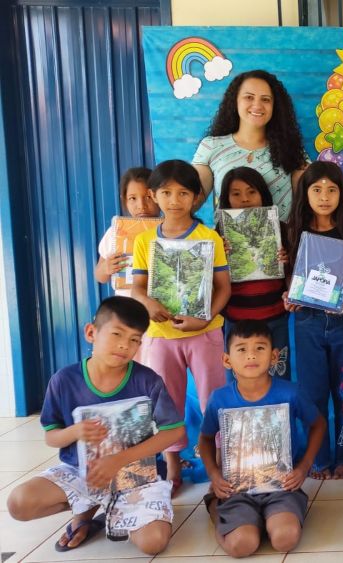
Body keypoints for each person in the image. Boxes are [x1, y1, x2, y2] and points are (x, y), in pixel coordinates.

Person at [6, 296, 184, 554]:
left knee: (153, 542)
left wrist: (119, 460)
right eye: (116, 334)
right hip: (83, 473)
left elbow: (174, 430)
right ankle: (86, 509)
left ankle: (114, 511)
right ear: (91, 333)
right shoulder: (64, 380)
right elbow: (51, 436)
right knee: (19, 503)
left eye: (134, 339)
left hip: (136, 478)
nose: (124, 345)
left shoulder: (147, 380)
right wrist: (74, 432)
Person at [131, 160, 232, 495]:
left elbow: (223, 289)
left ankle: (220, 465)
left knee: (213, 400)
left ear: (196, 197)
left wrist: (205, 318)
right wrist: (148, 303)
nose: (174, 200)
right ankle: (173, 467)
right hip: (160, 336)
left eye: (183, 193)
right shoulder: (145, 241)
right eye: (166, 192)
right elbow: (137, 288)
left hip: (204, 334)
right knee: (167, 403)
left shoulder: (209, 238)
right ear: (153, 195)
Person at [199, 320, 326, 557]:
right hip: (236, 489)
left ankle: (264, 519)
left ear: (274, 356)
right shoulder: (220, 398)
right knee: (242, 545)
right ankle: (218, 509)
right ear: (227, 360)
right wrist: (214, 474)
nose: (251, 355)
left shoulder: (290, 392)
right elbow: (205, 439)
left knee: (285, 539)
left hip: (281, 486)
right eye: (241, 349)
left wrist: (304, 467)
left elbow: (318, 424)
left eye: (260, 348)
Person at [283, 161, 343, 480]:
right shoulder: (292, 231)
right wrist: (288, 294)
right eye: (317, 189)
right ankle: (317, 458)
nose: (325, 196)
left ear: (342, 193)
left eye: (332, 189)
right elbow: (287, 279)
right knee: (313, 393)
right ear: (305, 193)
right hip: (307, 322)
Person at [193, 69, 309, 222]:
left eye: (265, 99)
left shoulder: (291, 148)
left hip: (282, 237)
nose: (257, 105)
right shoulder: (211, 146)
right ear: (235, 101)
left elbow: (310, 200)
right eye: (249, 97)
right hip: (226, 237)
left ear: (275, 106)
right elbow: (192, 199)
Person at [217, 167, 290, 379]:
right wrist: (219, 257)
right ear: (227, 198)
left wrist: (286, 260)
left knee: (277, 374)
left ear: (262, 194)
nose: (245, 199)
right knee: (239, 376)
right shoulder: (219, 234)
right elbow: (212, 281)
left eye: (251, 192)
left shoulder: (280, 228)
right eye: (236, 194)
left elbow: (294, 275)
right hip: (236, 319)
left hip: (275, 316)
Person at [95, 167, 160, 296]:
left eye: (148, 197)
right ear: (124, 200)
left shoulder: (170, 229)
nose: (141, 206)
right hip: (127, 305)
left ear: (158, 196)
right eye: (132, 198)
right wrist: (106, 268)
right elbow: (99, 276)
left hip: (160, 305)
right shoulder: (116, 232)